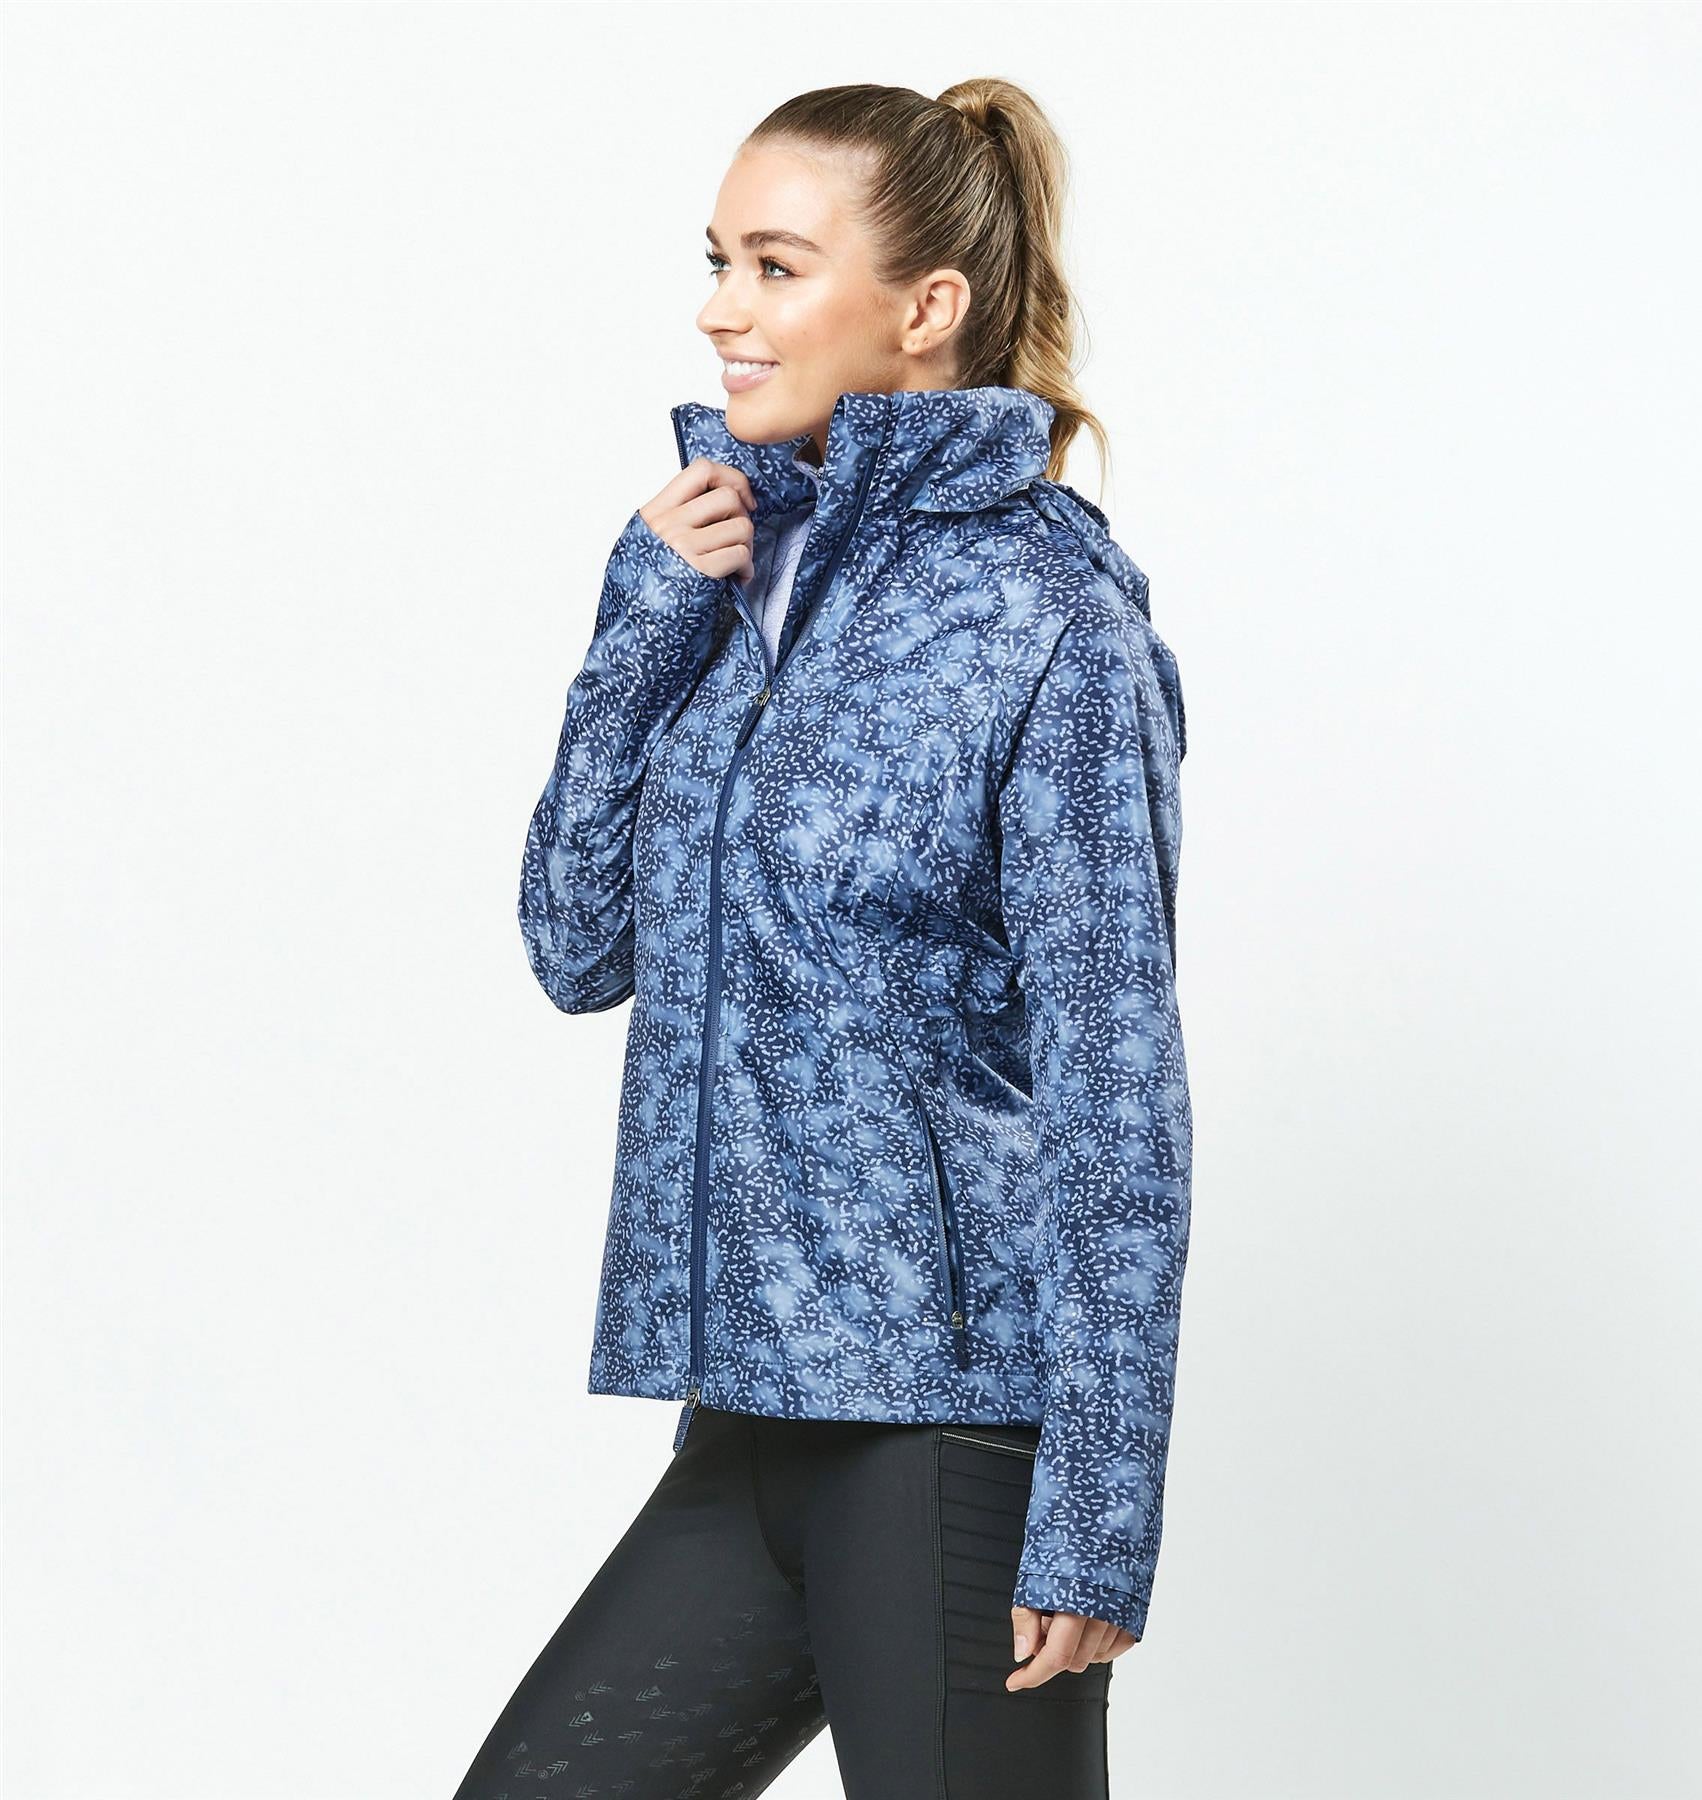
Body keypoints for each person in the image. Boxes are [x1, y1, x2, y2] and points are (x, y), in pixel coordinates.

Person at [456, 76, 1193, 1800]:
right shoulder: (731, 583)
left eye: (776, 267)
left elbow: (1118, 1091)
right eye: (718, 261)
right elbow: (575, 944)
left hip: (948, 1438)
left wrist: (1098, 1507)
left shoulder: (1049, 621)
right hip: (748, 1420)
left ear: (925, 309)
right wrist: (641, 621)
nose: (722, 309)